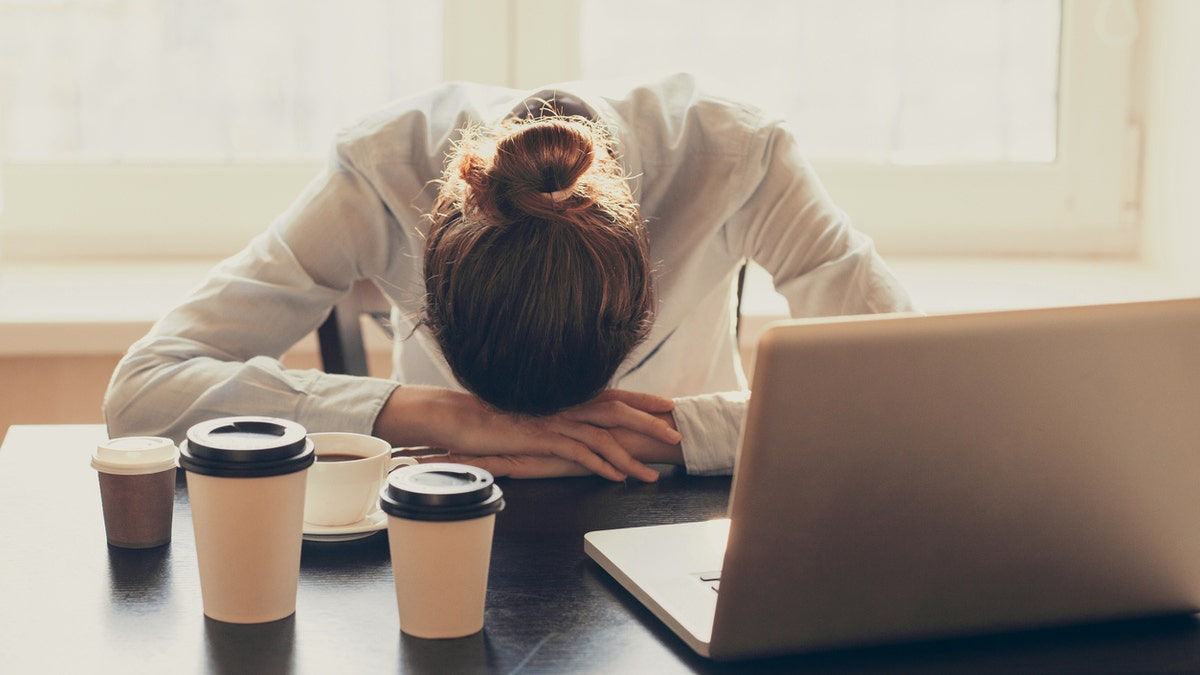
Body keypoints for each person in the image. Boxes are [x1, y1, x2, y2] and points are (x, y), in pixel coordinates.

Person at [104, 72, 916, 481]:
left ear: (643, 281)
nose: (554, 433)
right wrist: (438, 415)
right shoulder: (384, 167)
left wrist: (673, 431)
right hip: (449, 496)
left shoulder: (740, 157)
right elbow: (145, 389)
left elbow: (917, 391)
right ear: (433, 275)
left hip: (678, 512)